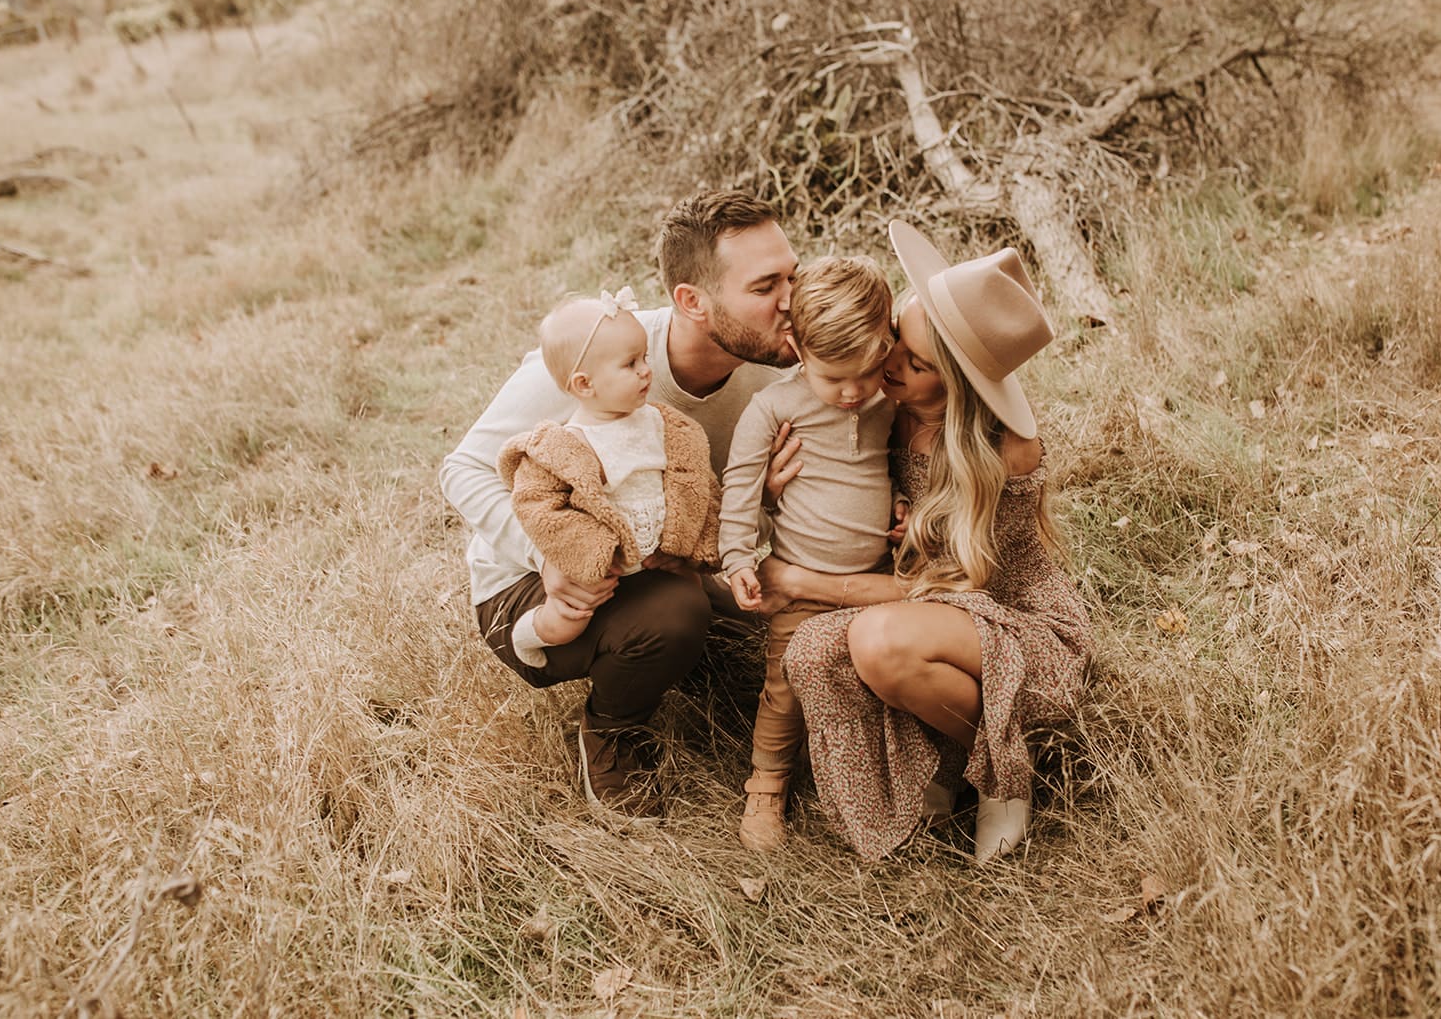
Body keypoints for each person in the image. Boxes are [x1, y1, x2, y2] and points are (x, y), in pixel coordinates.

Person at [439, 191, 801, 821]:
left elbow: (726, 518)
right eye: (766, 285)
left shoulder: (776, 381)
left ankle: (683, 667)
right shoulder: (601, 354)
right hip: (537, 587)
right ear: (692, 300)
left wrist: (765, 503)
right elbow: (462, 469)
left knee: (781, 628)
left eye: (793, 276)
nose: (791, 300)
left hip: (660, 563)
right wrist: (548, 558)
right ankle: (612, 729)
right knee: (679, 611)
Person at [776, 221, 1094, 862]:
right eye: (897, 340)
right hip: (930, 616)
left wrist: (808, 583)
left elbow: (953, 588)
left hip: (1015, 627)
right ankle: (943, 763)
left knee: (879, 641)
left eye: (915, 364)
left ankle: (1004, 775)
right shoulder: (880, 408)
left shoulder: (1006, 453)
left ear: (958, 385)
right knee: (812, 651)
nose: (887, 364)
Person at [717, 256, 899, 852]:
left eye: (866, 373)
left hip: (880, 574)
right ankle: (766, 786)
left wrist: (905, 506)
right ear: (796, 345)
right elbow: (741, 487)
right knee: (785, 683)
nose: (851, 393)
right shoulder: (774, 408)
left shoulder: (888, 401)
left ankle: (877, 774)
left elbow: (900, 467)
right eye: (833, 378)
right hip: (801, 578)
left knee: (872, 678)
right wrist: (739, 559)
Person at [497, 289, 721, 658]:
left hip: (656, 555)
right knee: (571, 620)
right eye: (630, 364)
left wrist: (691, 543)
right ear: (585, 384)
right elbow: (536, 504)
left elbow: (694, 478)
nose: (646, 370)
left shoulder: (663, 424)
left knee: (698, 592)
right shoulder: (567, 444)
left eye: (645, 357)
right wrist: (585, 551)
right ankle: (533, 631)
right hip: (602, 566)